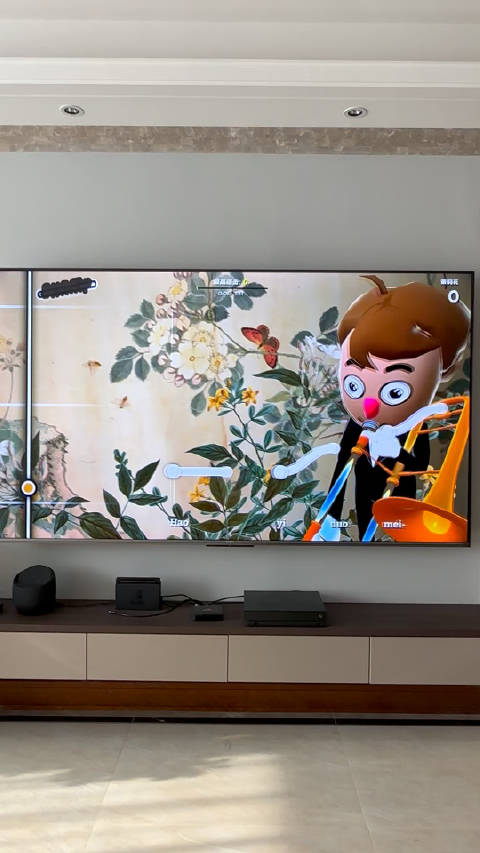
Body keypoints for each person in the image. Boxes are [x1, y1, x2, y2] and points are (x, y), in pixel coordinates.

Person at [324, 275, 470, 541]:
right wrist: (331, 516)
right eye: (354, 385)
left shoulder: (417, 425)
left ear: (445, 372)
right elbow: (342, 465)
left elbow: (420, 465)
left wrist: (395, 453)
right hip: (364, 485)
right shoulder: (356, 425)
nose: (370, 407)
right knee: (365, 531)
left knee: (402, 537)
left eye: (394, 392)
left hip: (402, 497)